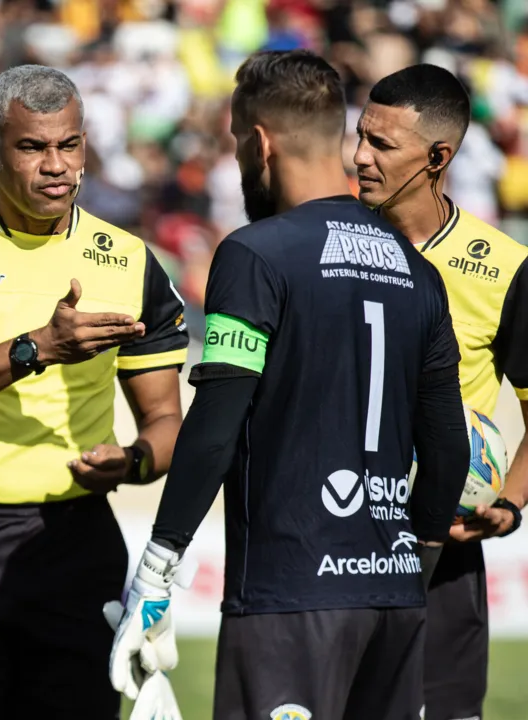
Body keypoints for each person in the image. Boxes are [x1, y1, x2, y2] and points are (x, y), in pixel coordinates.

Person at [108, 50, 470, 720]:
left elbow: (215, 426)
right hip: (392, 602)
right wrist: (409, 570)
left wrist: (157, 571)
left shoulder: (255, 253)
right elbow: (448, 448)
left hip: (289, 595)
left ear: (259, 142)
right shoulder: (420, 273)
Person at [0, 64, 191, 719]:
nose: (56, 165)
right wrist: (37, 348)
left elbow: (166, 420)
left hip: (73, 546)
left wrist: (131, 462)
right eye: (32, 146)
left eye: (69, 145)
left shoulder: (130, 261)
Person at [354, 64, 528, 720]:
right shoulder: (319, 244)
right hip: (336, 535)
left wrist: (509, 501)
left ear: (438, 156)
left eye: (382, 144)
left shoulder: (506, 267)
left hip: (444, 549)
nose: (361, 156)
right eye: (361, 137)